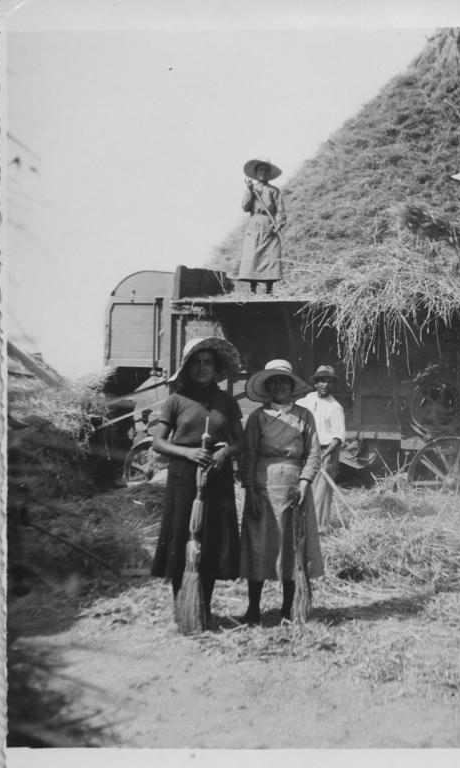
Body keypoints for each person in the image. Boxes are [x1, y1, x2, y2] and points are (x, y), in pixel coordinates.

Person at [151, 337, 244, 627]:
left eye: (208, 363)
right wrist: (188, 452)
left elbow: (240, 442)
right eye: (197, 363)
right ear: (188, 367)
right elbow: (158, 443)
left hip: (217, 477)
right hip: (183, 476)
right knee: (182, 538)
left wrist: (224, 453)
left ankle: (202, 606)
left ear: (215, 368)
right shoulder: (176, 401)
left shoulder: (226, 402)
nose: (203, 368)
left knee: (212, 540)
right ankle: (183, 607)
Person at [239, 359, 324, 624]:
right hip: (263, 490)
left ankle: (288, 608)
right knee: (258, 546)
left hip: (294, 490)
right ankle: (253, 609)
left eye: (282, 381)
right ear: (267, 387)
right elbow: (248, 455)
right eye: (272, 382)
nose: (278, 386)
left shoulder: (304, 416)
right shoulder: (257, 418)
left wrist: (303, 482)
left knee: (292, 548)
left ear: (291, 385)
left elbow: (313, 453)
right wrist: (251, 489)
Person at [296, 365, 346, 534]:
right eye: (322, 381)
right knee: (304, 488)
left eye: (329, 382)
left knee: (321, 493)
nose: (325, 384)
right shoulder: (305, 401)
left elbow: (338, 438)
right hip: (307, 450)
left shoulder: (335, 407)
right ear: (316, 383)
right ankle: (302, 525)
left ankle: (320, 529)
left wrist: (323, 455)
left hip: (327, 452)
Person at [238, 157, 287, 295]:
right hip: (255, 224)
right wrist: (249, 191)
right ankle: (252, 290)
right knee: (253, 255)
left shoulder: (274, 191)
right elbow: (245, 207)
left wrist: (279, 223)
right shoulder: (252, 189)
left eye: (266, 170)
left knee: (271, 255)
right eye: (261, 169)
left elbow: (280, 210)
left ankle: (269, 289)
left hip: (269, 225)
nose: (263, 172)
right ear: (256, 172)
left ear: (269, 174)